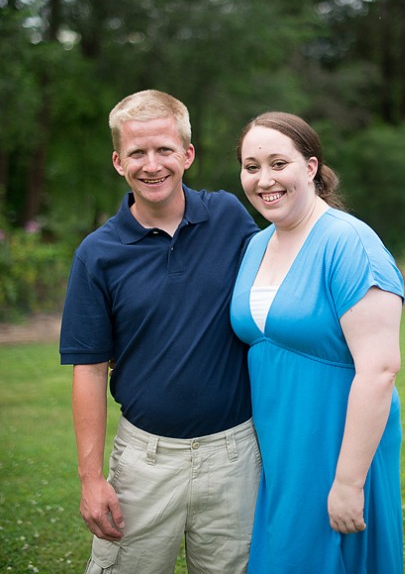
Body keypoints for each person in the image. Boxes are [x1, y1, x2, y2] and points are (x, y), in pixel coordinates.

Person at [60, 90, 261, 574]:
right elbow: (88, 372)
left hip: (234, 456)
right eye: (137, 152)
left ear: (187, 154)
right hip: (145, 461)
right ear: (118, 161)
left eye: (165, 150)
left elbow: (280, 276)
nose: (153, 165)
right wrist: (91, 480)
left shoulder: (229, 217)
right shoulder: (97, 254)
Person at [230, 111, 405, 574]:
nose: (264, 179)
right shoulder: (257, 244)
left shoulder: (349, 243)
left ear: (310, 167)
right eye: (251, 167)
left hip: (338, 443)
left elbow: (380, 369)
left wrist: (348, 482)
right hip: (281, 443)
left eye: (277, 163)